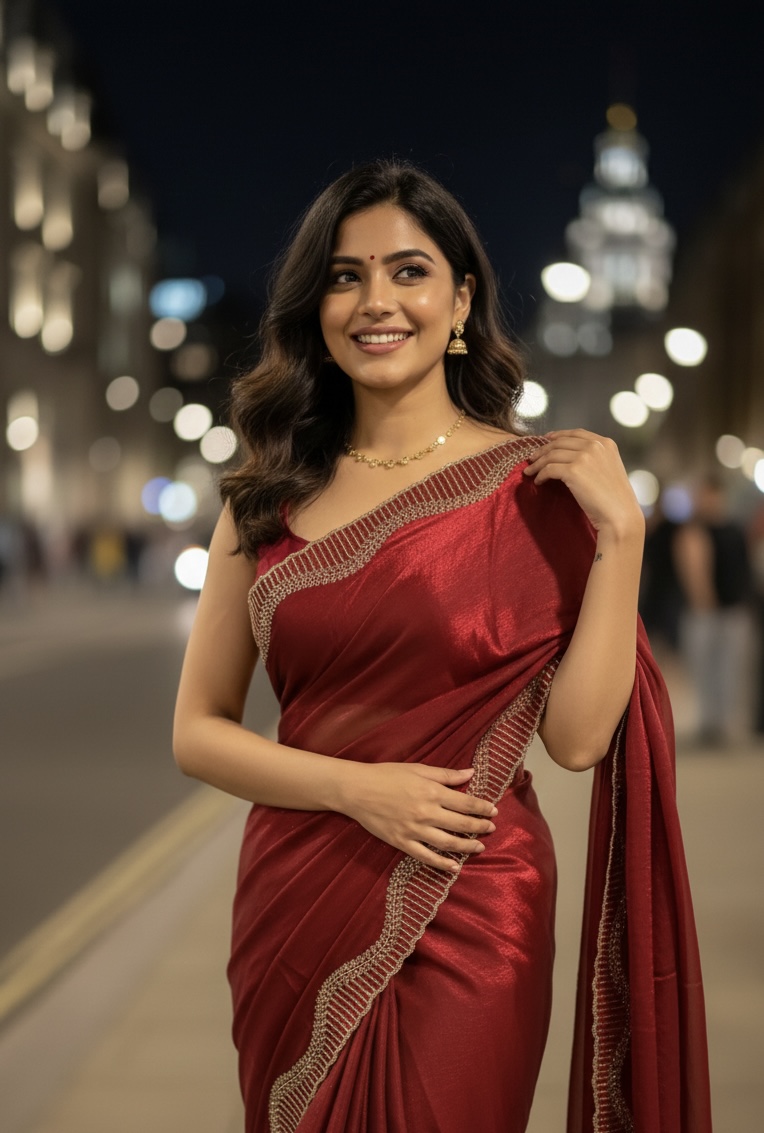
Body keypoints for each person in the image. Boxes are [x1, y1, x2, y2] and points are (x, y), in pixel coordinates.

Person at [173, 161, 711, 1133]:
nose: (376, 301)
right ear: (315, 306)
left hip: (471, 896)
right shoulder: (263, 496)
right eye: (344, 276)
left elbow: (578, 739)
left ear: (459, 298)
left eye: (407, 271)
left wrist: (621, 534)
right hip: (298, 893)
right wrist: (354, 786)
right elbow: (197, 733)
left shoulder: (536, 489)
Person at [674, 474, 753, 745]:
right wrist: (701, 601)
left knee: (730, 669)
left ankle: (724, 722)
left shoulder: (735, 529)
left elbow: (745, 568)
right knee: (704, 669)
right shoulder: (693, 530)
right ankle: (709, 722)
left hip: (733, 610)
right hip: (703, 613)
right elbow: (691, 570)